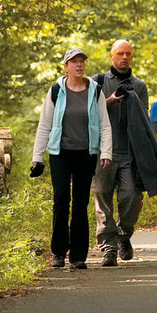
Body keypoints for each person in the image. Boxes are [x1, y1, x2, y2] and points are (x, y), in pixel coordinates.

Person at [31, 48, 113, 270]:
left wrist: (106, 152)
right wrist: (37, 157)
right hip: (60, 153)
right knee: (60, 200)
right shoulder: (56, 91)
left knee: (80, 203)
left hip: (86, 153)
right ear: (66, 66)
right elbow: (45, 125)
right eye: (74, 62)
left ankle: (78, 256)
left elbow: (105, 125)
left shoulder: (95, 92)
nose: (79, 65)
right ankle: (58, 253)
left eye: (82, 62)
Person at [91, 39, 157, 266]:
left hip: (130, 153)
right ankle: (108, 249)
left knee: (132, 198)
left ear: (131, 56)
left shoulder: (140, 86)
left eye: (128, 54)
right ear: (111, 56)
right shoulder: (97, 82)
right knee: (103, 202)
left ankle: (124, 234)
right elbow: (89, 113)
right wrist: (109, 102)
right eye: (120, 53)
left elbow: (144, 120)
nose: (124, 57)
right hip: (103, 152)